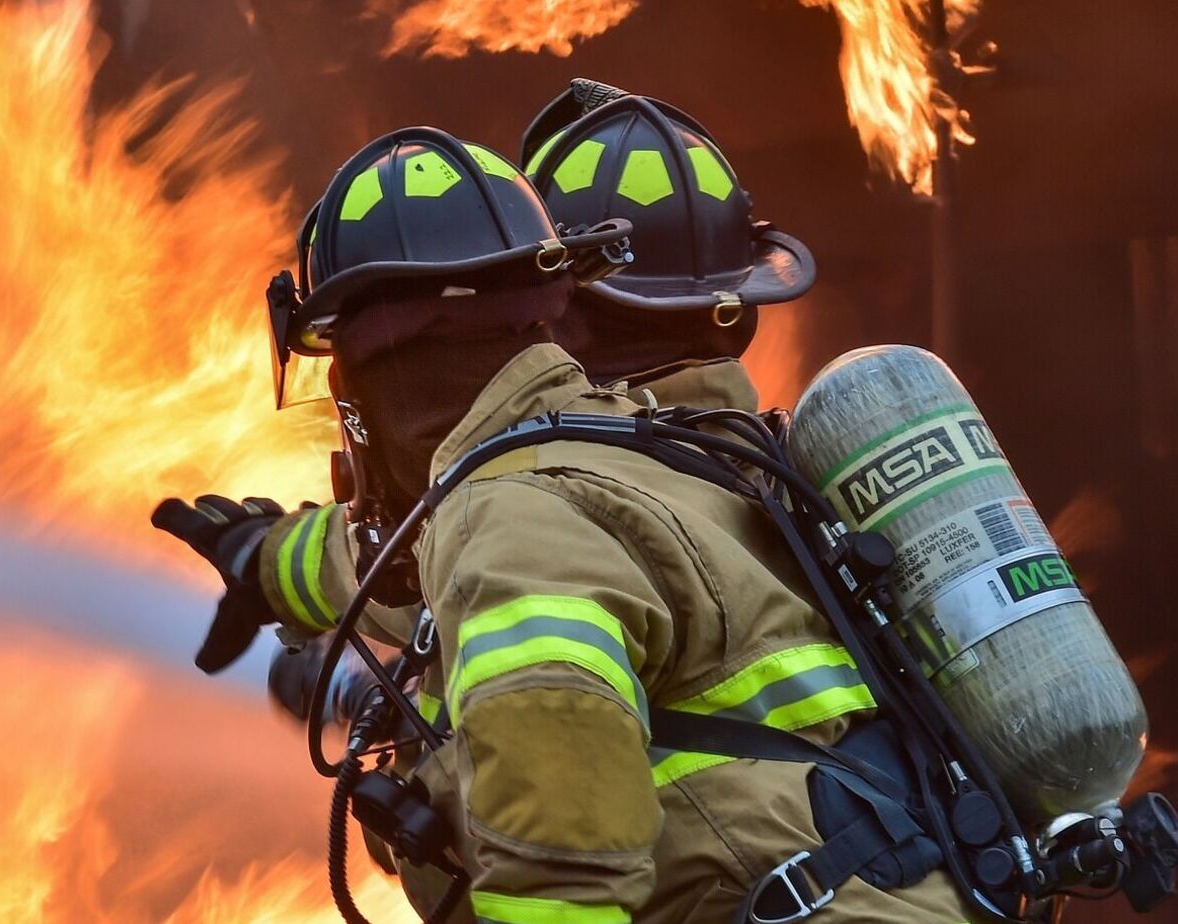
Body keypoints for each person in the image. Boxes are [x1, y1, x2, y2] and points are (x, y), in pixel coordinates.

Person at [156, 87, 972, 924]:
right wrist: (268, 560)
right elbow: (404, 557)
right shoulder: (649, 455)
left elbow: (559, 875)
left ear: (379, 373)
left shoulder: (511, 520)